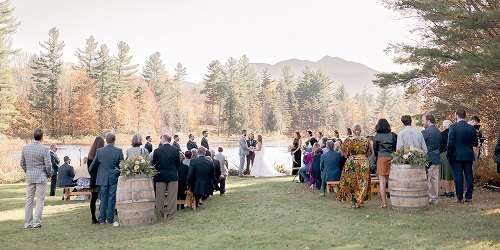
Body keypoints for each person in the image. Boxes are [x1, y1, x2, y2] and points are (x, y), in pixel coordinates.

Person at [89, 133, 124, 224]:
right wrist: (117, 171)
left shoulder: (99, 151)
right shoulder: (119, 151)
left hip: (102, 178)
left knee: (103, 198)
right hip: (113, 177)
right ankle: (110, 219)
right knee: (112, 198)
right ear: (114, 140)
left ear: (106, 140)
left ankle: (101, 219)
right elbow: (122, 166)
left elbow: (92, 166)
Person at [21, 128, 52, 229]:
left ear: (33, 136)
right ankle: (36, 222)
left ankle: (27, 223)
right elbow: (48, 166)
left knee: (29, 200)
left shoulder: (25, 148)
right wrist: (49, 174)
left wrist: (28, 171)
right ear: (42, 137)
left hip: (30, 176)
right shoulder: (44, 149)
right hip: (41, 177)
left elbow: (22, 163)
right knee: (40, 200)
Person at [336, 124, 372, 208]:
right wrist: (363, 156)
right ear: (361, 130)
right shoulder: (366, 140)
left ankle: (353, 202)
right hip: (363, 162)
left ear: (352, 131)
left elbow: (343, 153)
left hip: (352, 162)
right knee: (363, 182)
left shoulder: (348, 140)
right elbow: (370, 152)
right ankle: (361, 200)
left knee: (352, 182)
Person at [447, 107, 478, 203]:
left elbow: (450, 143)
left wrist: (448, 154)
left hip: (456, 156)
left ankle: (459, 198)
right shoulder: (471, 128)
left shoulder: (453, 127)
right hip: (468, 155)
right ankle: (469, 197)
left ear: (456, 115)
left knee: (458, 176)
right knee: (469, 175)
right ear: (465, 116)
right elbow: (475, 143)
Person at [151, 134, 180, 220]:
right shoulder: (176, 150)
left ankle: (160, 215)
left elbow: (154, 165)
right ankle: (171, 215)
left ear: (163, 139)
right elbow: (178, 164)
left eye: (161, 138)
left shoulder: (157, 151)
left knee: (159, 197)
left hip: (160, 175)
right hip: (172, 175)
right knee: (172, 197)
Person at [373, 119, 397, 208]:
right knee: (391, 181)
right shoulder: (392, 135)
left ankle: (384, 203)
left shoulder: (376, 136)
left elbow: (375, 150)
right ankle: (394, 201)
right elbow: (395, 148)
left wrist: (377, 158)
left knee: (382, 182)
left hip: (381, 158)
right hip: (391, 158)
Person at [422, 114, 442, 205]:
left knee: (427, 179)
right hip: (437, 157)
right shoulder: (439, 131)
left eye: (423, 120)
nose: (423, 122)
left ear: (428, 121)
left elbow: (422, 145)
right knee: (435, 179)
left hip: (428, 158)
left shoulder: (425, 132)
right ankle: (435, 198)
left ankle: (431, 197)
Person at [87, 136, 105, 224]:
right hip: (101, 179)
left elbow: (89, 169)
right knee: (103, 198)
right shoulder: (101, 154)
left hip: (93, 179)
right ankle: (102, 216)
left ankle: (93, 218)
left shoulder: (90, 156)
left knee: (93, 199)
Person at [439, 120, 455, 198]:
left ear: (444, 126)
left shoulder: (442, 134)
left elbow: (440, 146)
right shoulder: (454, 133)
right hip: (454, 155)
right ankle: (451, 191)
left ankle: (448, 192)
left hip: (445, 155)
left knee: (446, 174)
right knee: (451, 174)